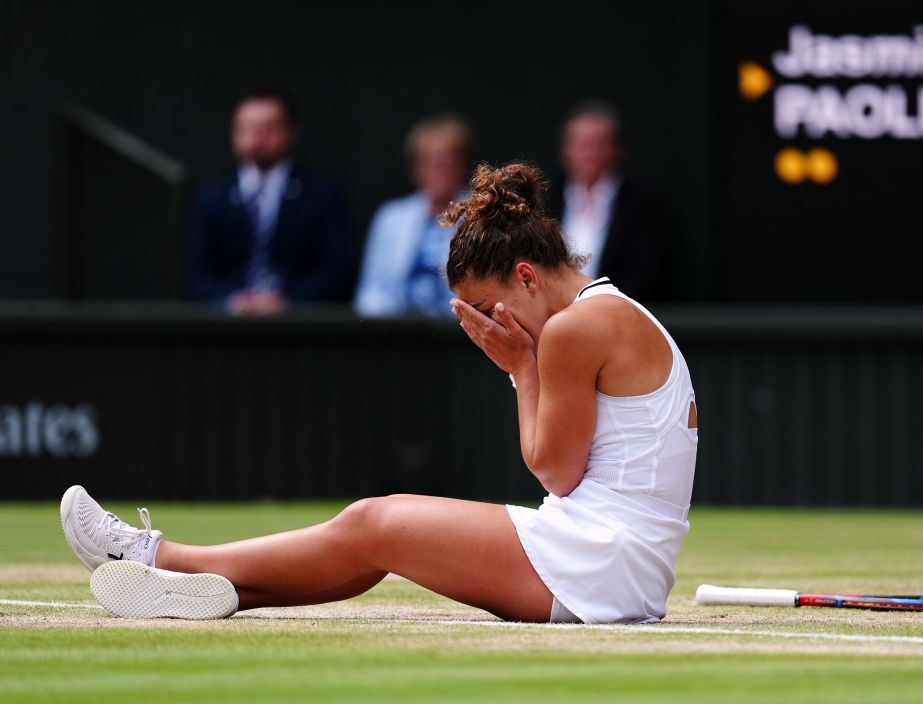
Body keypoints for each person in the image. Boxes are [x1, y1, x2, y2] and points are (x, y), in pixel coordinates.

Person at [59, 163, 698, 625]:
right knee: (374, 536)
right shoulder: (610, 311)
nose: (482, 325)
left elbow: (556, 473)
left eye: (482, 307)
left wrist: (520, 370)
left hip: (602, 567)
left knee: (375, 521)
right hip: (617, 566)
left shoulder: (574, 329)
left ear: (526, 276)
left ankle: (161, 556)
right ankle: (218, 586)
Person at [189, 88, 357, 315]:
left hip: (302, 327)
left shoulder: (323, 195)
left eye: (268, 128)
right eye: (247, 128)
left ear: (292, 131)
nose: (257, 138)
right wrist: (234, 302)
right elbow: (197, 275)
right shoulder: (212, 197)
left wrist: (288, 303)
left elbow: (337, 273)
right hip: (225, 328)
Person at [552, 99, 670, 303]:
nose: (588, 154)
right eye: (580, 144)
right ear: (566, 150)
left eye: (597, 145)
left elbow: (645, 276)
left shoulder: (642, 207)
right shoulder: (546, 197)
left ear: (616, 150)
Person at [354, 115, 472, 317]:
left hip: (459, 333)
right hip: (396, 334)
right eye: (428, 163)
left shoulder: (481, 215)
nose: (438, 171)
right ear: (416, 168)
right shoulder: (391, 217)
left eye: (445, 163)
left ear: (462, 166)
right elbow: (370, 293)